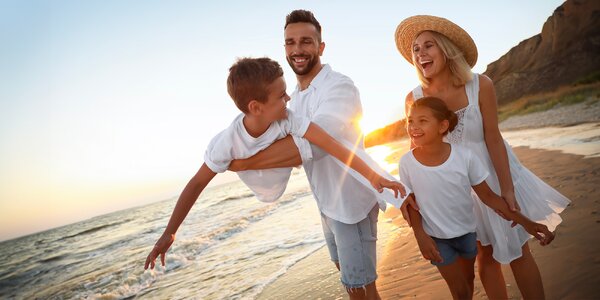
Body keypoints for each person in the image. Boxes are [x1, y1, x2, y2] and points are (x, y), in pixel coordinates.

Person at [144, 57, 406, 271]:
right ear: (256, 107)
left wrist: (374, 177)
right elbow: (197, 183)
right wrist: (170, 233)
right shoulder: (227, 143)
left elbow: (330, 144)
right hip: (262, 189)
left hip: (290, 177)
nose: (288, 99)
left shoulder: (287, 119)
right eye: (281, 95)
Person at [227, 10, 411, 300]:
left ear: (320, 47)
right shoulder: (293, 98)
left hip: (351, 203)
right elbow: (272, 140)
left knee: (362, 287)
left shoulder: (339, 87)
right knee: (349, 280)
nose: (297, 50)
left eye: (306, 41)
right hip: (326, 203)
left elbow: (309, 148)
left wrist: (239, 163)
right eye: (290, 43)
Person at [395, 15, 570, 299]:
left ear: (446, 49)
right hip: (456, 186)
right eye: (416, 49)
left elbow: (493, 137)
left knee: (518, 250)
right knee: (484, 255)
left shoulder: (480, 85)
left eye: (428, 45)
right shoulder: (414, 98)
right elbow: (418, 153)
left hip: (494, 171)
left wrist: (508, 188)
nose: (420, 53)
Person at [400, 96, 555, 299]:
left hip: (467, 235)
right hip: (436, 239)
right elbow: (411, 203)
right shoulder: (407, 163)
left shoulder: (464, 157)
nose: (413, 126)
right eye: (410, 120)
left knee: (468, 283)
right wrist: (420, 235)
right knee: (461, 291)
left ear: (442, 126)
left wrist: (527, 223)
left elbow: (489, 197)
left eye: (422, 120)